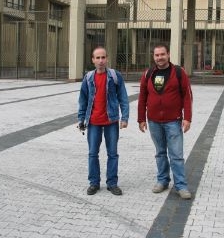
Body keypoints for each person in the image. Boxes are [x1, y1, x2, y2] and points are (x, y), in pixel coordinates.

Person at [137, 44, 193, 200]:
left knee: (176, 155)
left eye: (162, 54)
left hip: (173, 121)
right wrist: (141, 118)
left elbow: (187, 96)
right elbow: (142, 97)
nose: (159, 57)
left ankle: (181, 185)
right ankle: (162, 180)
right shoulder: (148, 73)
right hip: (154, 121)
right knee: (160, 153)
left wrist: (187, 117)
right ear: (153, 57)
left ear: (168, 54)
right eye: (156, 55)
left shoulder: (179, 73)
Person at [78, 46, 129, 196]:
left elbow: (123, 98)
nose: (101, 61)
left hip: (111, 121)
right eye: (97, 58)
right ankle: (94, 183)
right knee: (93, 153)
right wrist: (81, 119)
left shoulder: (115, 76)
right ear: (93, 60)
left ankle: (112, 183)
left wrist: (124, 118)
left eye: (103, 57)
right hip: (93, 122)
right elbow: (83, 100)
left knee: (112, 153)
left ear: (107, 59)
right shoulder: (88, 78)